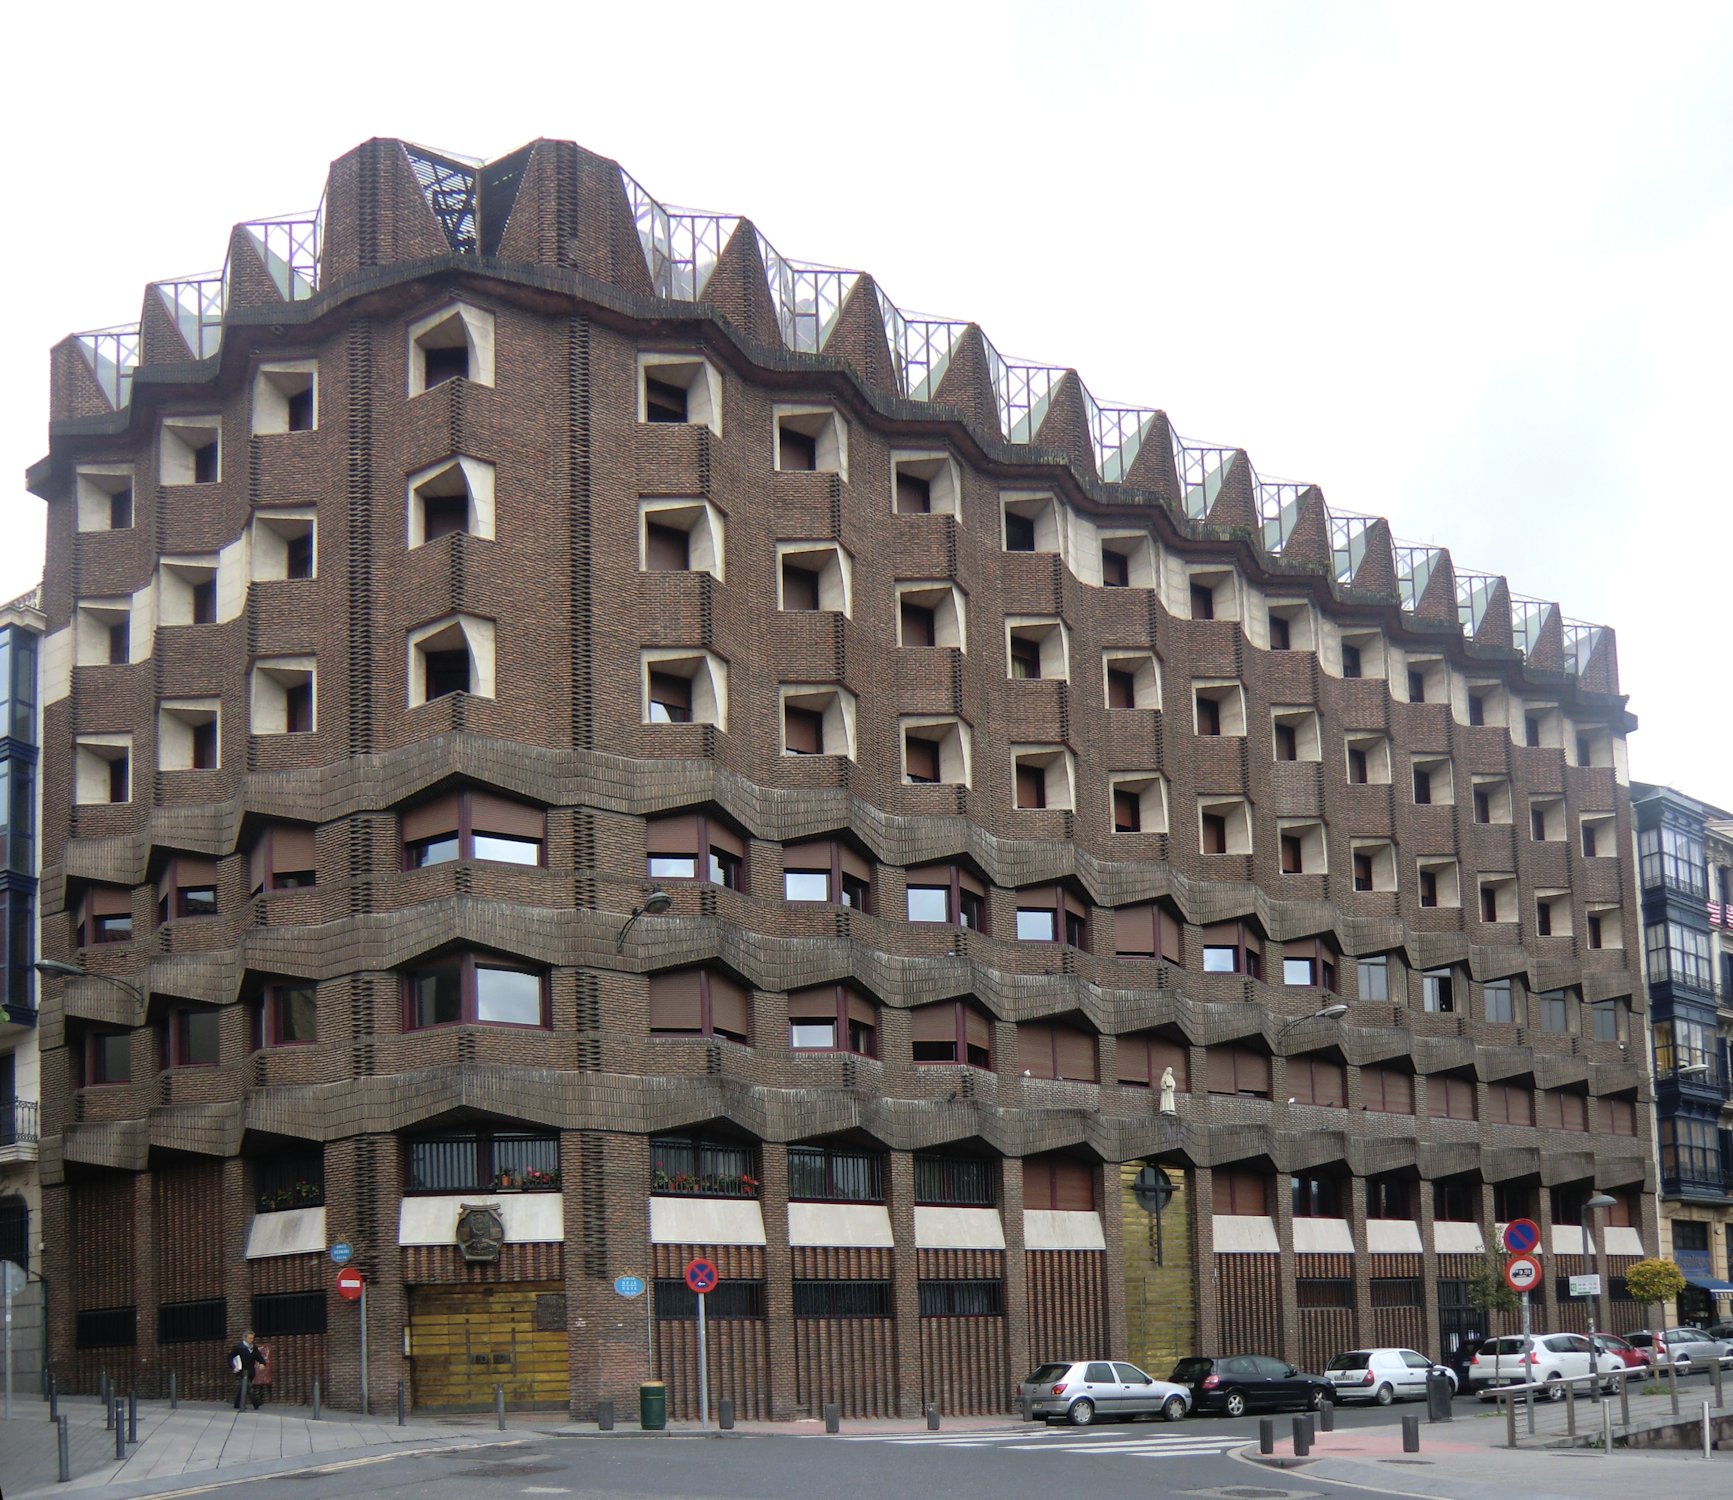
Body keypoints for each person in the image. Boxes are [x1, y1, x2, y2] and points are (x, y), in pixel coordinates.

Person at [228, 1330, 267, 1411]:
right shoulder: (238, 1347)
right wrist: (233, 1366)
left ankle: (237, 1403)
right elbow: (230, 1358)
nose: (251, 1340)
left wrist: (262, 1363)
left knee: (244, 1387)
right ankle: (256, 1402)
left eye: (252, 1338)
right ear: (244, 1338)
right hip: (242, 1371)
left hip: (251, 1371)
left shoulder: (254, 1348)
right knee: (248, 1386)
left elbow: (259, 1357)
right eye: (250, 1338)